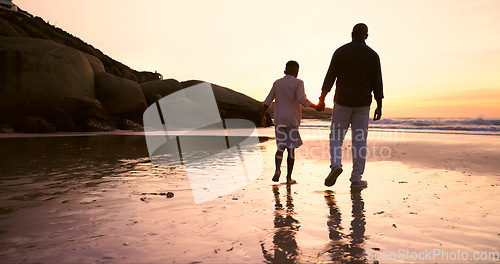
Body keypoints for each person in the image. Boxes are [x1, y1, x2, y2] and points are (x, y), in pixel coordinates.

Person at [317, 23, 384, 189]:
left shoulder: (341, 52)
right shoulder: (373, 55)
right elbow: (377, 81)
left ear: (352, 34)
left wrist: (322, 98)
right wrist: (379, 104)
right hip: (362, 103)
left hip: (342, 101)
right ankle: (356, 178)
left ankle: (336, 165)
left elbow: (330, 76)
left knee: (336, 136)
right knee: (359, 141)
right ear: (366, 36)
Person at [261, 60, 319, 184]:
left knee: (280, 147)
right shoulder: (298, 83)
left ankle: (277, 170)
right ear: (297, 72)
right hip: (292, 120)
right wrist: (315, 106)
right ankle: (288, 177)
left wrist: (262, 116)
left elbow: (267, 101)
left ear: (285, 71)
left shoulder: (277, 83)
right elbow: (301, 99)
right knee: (291, 149)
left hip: (279, 120)